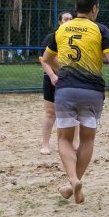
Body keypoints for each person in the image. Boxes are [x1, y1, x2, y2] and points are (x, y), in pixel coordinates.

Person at [41, 0, 109, 204]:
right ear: (94, 9)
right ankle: (73, 183)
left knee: (64, 138)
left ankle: (73, 180)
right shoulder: (100, 29)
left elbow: (47, 58)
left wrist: (65, 69)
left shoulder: (62, 29)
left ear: (76, 8)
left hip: (66, 90)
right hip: (93, 91)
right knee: (87, 139)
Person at [38, 11, 79, 155]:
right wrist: (52, 75)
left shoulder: (75, 39)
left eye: (71, 19)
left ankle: (74, 142)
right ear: (59, 22)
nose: (69, 21)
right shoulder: (52, 37)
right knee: (50, 112)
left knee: (73, 112)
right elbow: (43, 59)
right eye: (66, 19)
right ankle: (45, 144)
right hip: (53, 78)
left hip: (70, 79)